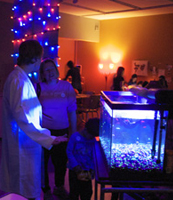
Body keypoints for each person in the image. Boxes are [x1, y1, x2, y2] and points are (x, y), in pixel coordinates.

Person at [0, 40, 68, 200]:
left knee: (25, 184)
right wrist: (49, 138)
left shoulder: (21, 78)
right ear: (35, 58)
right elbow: (23, 119)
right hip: (22, 143)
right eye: (40, 58)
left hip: (26, 141)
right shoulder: (18, 80)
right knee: (23, 187)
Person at [38, 58, 77, 200]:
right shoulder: (38, 87)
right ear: (42, 74)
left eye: (52, 69)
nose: (50, 72)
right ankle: (46, 189)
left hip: (63, 131)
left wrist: (72, 133)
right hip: (44, 132)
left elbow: (72, 111)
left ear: (57, 70)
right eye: (46, 70)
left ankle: (59, 187)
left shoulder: (66, 86)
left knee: (60, 163)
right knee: (43, 163)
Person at [67, 118, 100, 200]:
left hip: (87, 171)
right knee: (74, 192)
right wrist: (75, 165)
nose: (91, 138)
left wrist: (92, 168)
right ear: (85, 130)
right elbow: (69, 152)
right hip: (74, 171)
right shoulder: (75, 137)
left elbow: (94, 155)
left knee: (87, 193)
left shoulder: (93, 140)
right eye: (91, 135)